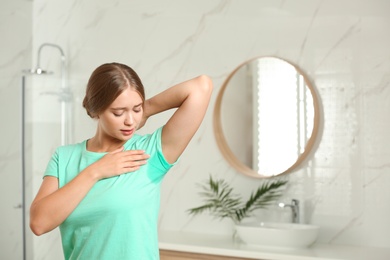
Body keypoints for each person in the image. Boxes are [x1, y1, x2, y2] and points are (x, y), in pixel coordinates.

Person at [29, 62, 213, 259]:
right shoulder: (65, 157)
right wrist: (95, 171)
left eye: (136, 109)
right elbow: (39, 223)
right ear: (96, 109)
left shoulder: (148, 153)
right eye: (118, 112)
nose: (130, 121)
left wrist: (147, 109)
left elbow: (201, 86)